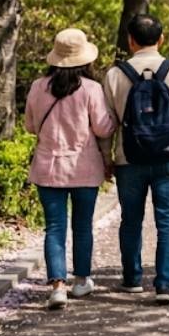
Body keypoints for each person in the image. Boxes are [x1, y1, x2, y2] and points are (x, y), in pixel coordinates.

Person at [103, 14, 169, 305]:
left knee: (131, 219)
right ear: (161, 40)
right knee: (168, 218)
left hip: (128, 157)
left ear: (130, 40)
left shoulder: (115, 74)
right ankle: (165, 284)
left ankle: (132, 278)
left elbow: (107, 123)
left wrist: (106, 157)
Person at [25, 29, 116, 310]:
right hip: (84, 168)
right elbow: (103, 127)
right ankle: (81, 281)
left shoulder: (38, 87)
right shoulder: (91, 89)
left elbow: (29, 126)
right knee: (82, 226)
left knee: (54, 227)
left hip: (48, 167)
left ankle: (57, 287)